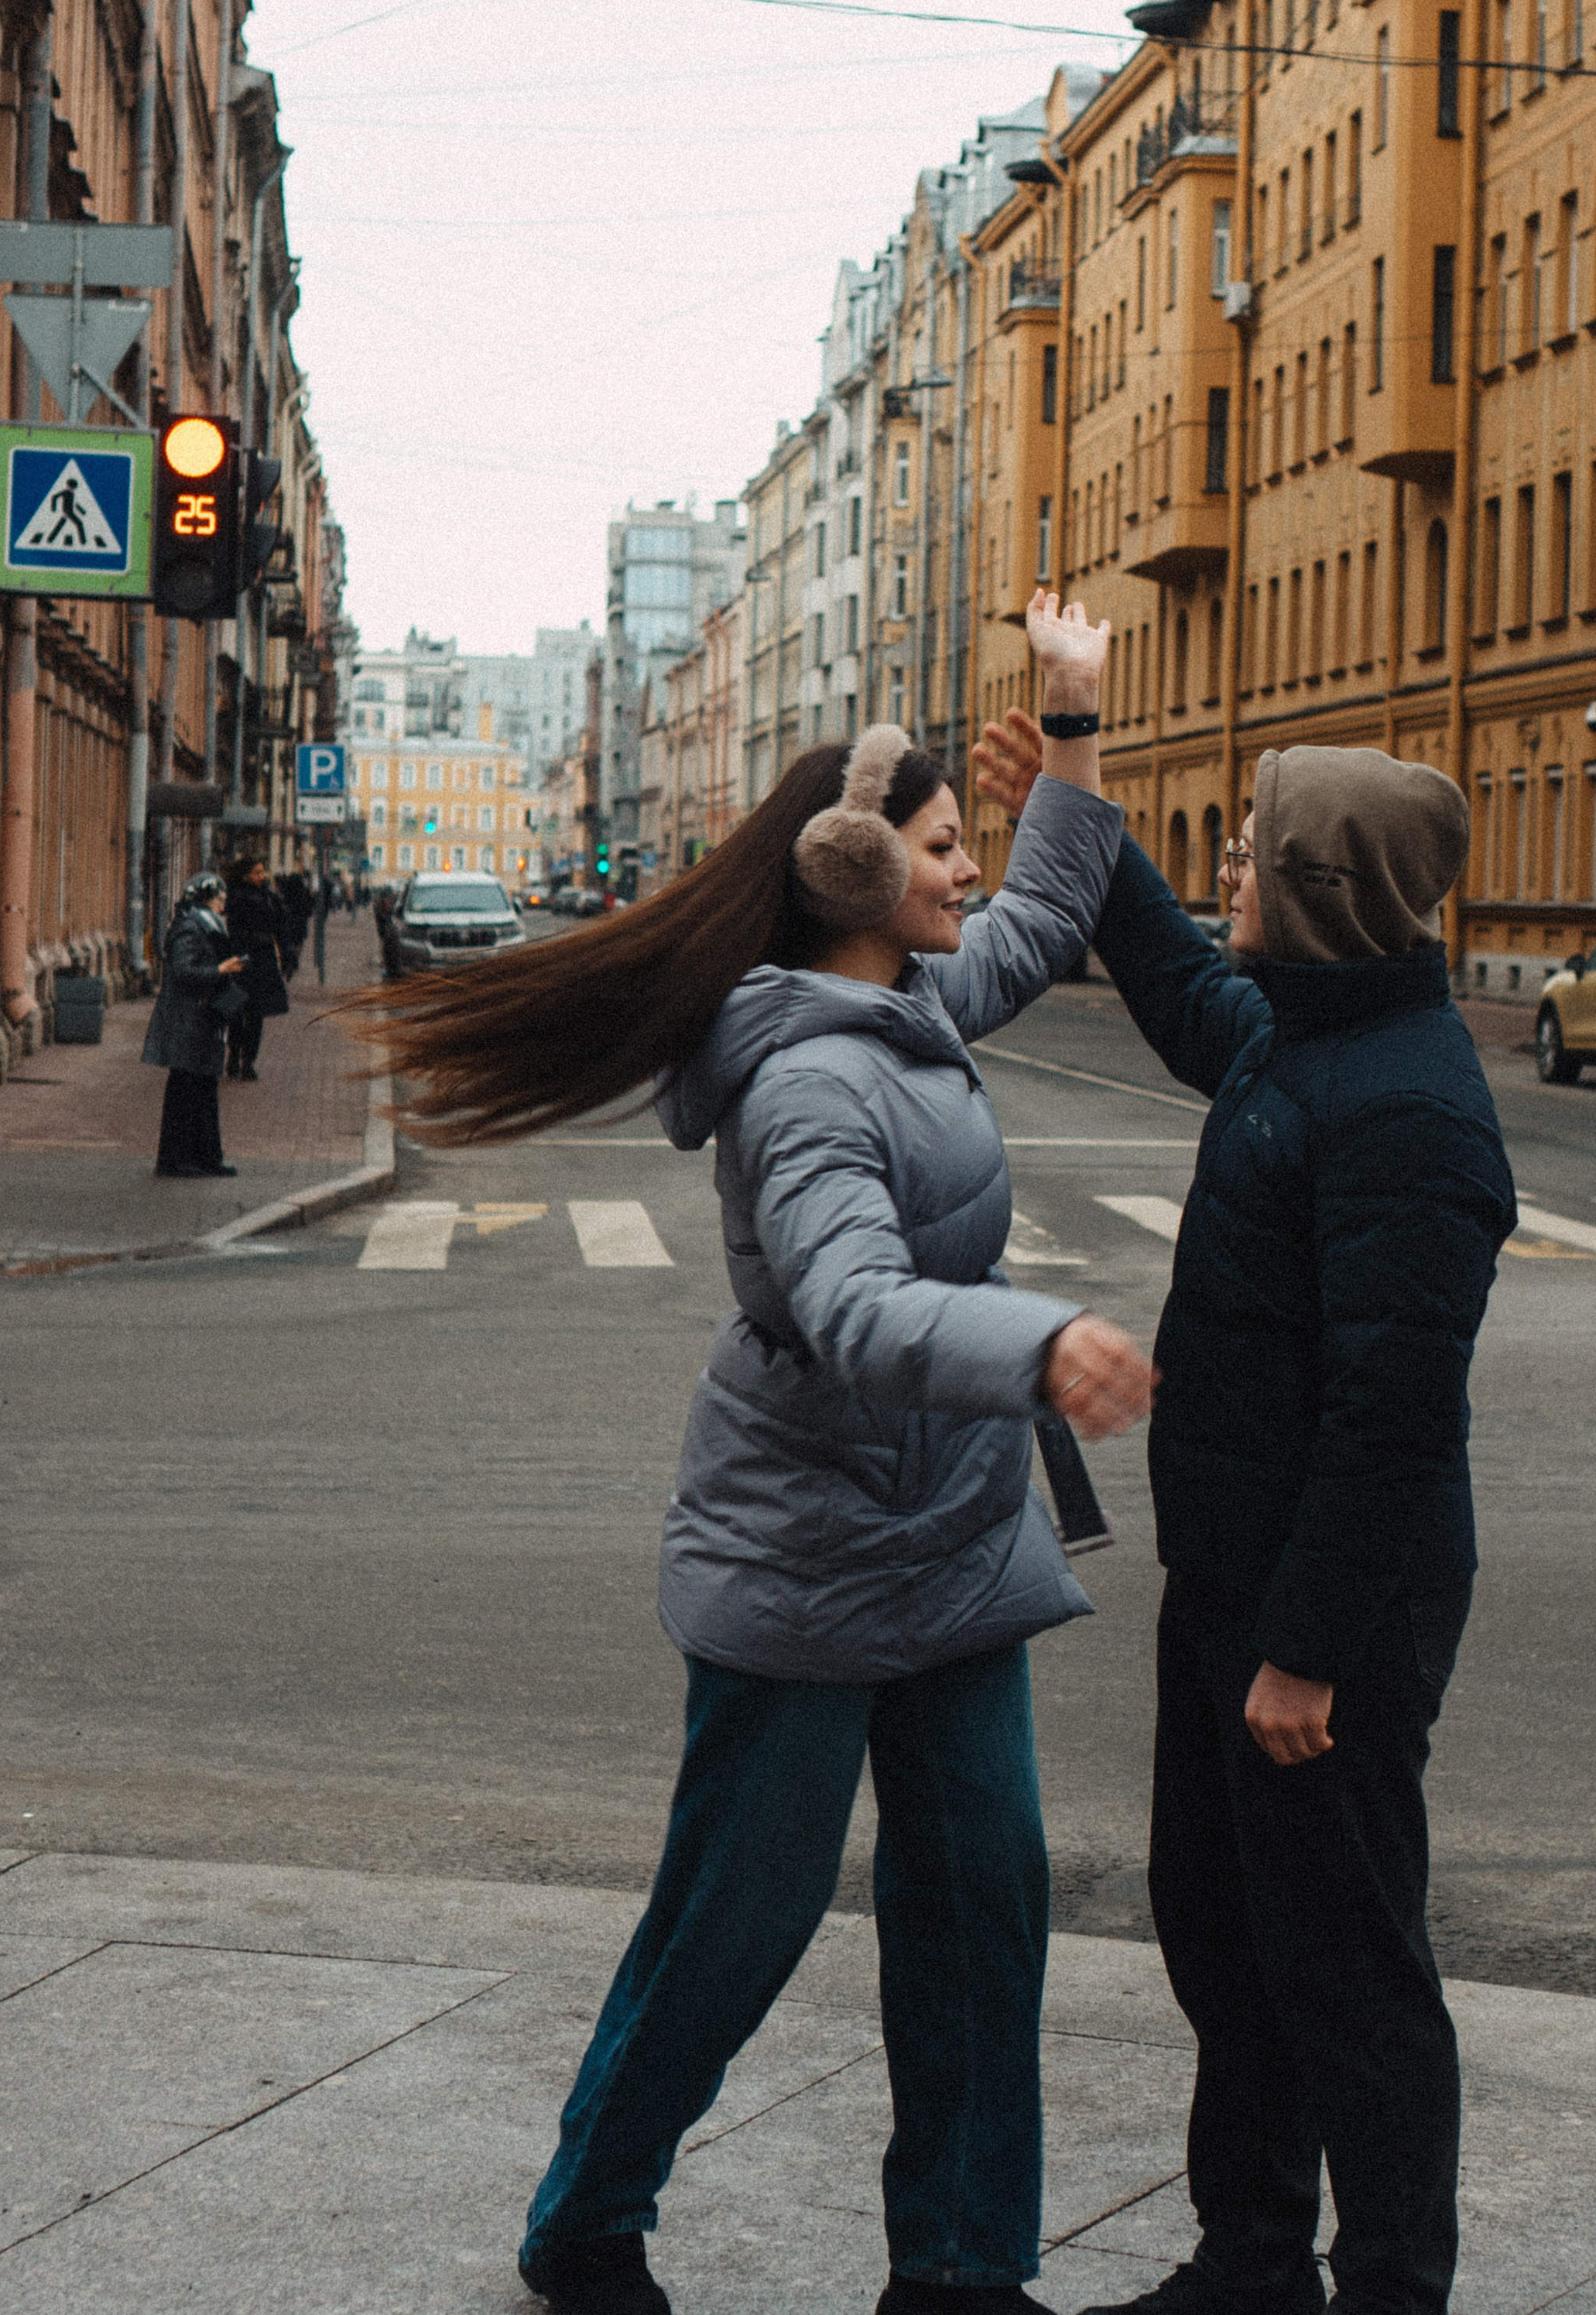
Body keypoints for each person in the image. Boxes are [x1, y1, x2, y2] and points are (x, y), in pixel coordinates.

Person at [351, 595, 1153, 2315]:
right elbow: (859, 1310)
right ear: (858, 874)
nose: (968, 877)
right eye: (944, 851)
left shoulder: (912, 1004)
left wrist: (1073, 723)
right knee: (733, 1923)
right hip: (805, 1550)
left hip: (943, 1539)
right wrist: (1037, 1340)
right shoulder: (804, 1082)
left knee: (981, 1916)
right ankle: (588, 2216)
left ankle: (961, 2266)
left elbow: (1047, 920)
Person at [974, 722, 1516, 2315]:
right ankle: (1250, 2259)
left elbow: (1392, 1420)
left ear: (1317, 886)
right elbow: (1177, 986)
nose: (1226, 878)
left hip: (1321, 1613)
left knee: (1347, 1968)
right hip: (1235, 1578)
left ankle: (1392, 2285)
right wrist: (1074, 805)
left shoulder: (1410, 1107)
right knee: (1224, 1934)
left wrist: (1301, 1652)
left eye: (1248, 858)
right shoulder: (1303, 1032)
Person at [142, 871, 246, 1178]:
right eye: (219, 899)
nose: (223, 905)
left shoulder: (206, 925)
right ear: (206, 898)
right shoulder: (190, 927)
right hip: (187, 1021)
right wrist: (220, 969)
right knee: (185, 1091)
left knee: (204, 1090)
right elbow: (182, 970)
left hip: (203, 1020)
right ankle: (174, 1160)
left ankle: (207, 1157)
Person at [222, 857, 291, 1079]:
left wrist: (288, 955)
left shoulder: (270, 899)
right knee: (235, 1009)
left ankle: (248, 1061)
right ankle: (233, 1053)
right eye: (256, 873)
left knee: (256, 1013)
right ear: (245, 875)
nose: (262, 877)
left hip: (263, 959)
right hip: (240, 958)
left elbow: (281, 929)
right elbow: (225, 928)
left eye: (263, 872)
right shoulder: (233, 897)